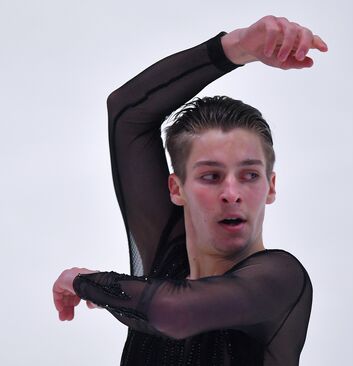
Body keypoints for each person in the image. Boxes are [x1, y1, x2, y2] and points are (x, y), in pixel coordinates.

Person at [52, 15, 328, 366]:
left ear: (271, 187)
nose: (232, 193)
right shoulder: (166, 255)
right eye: (211, 177)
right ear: (176, 188)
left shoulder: (280, 279)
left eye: (249, 175)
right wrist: (236, 47)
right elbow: (127, 112)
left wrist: (84, 281)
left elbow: (175, 313)